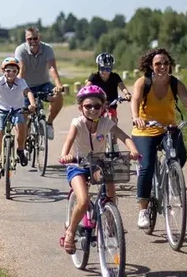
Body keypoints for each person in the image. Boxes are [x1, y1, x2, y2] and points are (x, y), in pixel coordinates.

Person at [130, 47, 187, 229]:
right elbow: (135, 100)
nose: (162, 66)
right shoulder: (143, 82)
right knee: (147, 166)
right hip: (145, 130)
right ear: (151, 65)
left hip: (167, 128)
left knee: (180, 155)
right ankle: (143, 210)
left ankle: (172, 176)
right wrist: (136, 117)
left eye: (166, 63)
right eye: (158, 63)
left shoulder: (175, 83)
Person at [58, 84, 140, 255]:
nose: (93, 109)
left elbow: (124, 136)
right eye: (88, 106)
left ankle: (111, 221)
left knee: (111, 192)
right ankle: (70, 232)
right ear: (81, 107)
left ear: (103, 107)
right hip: (77, 165)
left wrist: (133, 150)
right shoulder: (77, 123)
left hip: (98, 164)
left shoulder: (106, 122)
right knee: (83, 200)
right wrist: (65, 155)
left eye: (97, 106)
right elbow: (69, 140)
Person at [0, 56, 37, 178]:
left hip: (16, 109)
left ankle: (20, 150)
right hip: (0, 110)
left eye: (14, 70)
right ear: (3, 71)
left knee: (21, 126)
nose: (11, 73)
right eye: (8, 70)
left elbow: (28, 92)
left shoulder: (21, 82)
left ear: (17, 72)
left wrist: (32, 104)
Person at [14, 27, 64, 140]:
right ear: (25, 39)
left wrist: (58, 85)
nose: (33, 41)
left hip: (43, 84)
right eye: (29, 39)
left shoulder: (47, 49)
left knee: (58, 97)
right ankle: (23, 144)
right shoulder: (20, 50)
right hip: (26, 86)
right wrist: (19, 88)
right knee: (23, 119)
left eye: (35, 38)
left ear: (39, 38)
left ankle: (49, 123)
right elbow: (21, 69)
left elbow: (52, 68)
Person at [85, 52, 132, 123]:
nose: (105, 71)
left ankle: (114, 133)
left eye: (108, 69)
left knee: (113, 119)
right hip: (98, 104)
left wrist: (127, 94)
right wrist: (85, 96)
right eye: (102, 68)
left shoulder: (115, 76)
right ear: (98, 67)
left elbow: (122, 87)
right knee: (93, 121)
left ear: (111, 68)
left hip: (112, 104)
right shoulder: (94, 76)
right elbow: (86, 88)